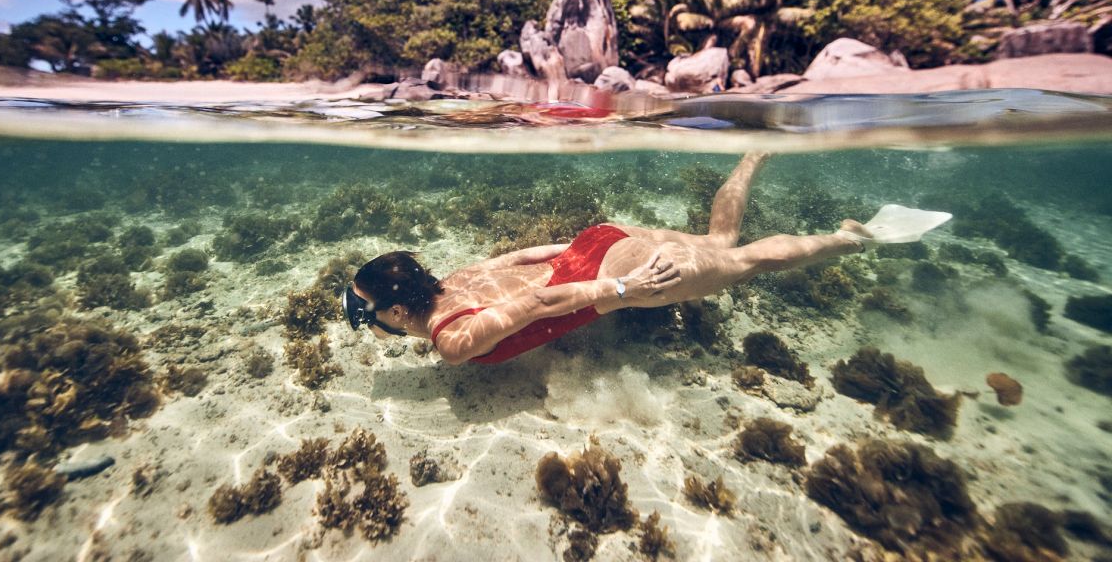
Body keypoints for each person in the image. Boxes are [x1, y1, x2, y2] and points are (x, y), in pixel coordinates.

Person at [341, 153, 943, 365]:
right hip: (597, 243)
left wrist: (626, 290)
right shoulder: (455, 279)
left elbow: (539, 301)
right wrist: (592, 245)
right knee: (720, 242)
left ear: (396, 312)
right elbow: (527, 258)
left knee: (748, 259)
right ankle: (756, 154)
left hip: (613, 274)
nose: (372, 324)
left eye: (368, 314)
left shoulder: (450, 342)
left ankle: (854, 238)